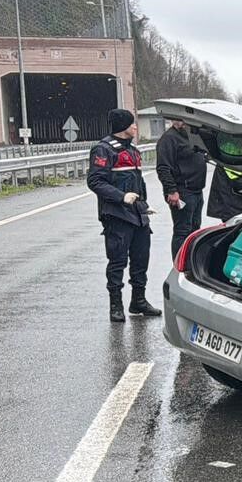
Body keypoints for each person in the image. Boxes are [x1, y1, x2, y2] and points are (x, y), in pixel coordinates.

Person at [87, 108, 160, 323]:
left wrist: (143, 205)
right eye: (132, 124)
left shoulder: (133, 151)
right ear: (122, 126)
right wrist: (121, 197)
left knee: (141, 260)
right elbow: (95, 182)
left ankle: (138, 300)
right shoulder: (103, 150)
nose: (136, 127)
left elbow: (138, 183)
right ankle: (115, 305)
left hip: (138, 216)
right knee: (117, 262)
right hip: (117, 215)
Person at [156, 117, 210, 258]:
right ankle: (178, 265)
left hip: (197, 191)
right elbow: (163, 168)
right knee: (182, 231)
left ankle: (190, 262)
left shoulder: (193, 137)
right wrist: (171, 190)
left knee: (194, 230)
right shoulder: (169, 139)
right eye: (181, 120)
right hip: (182, 192)